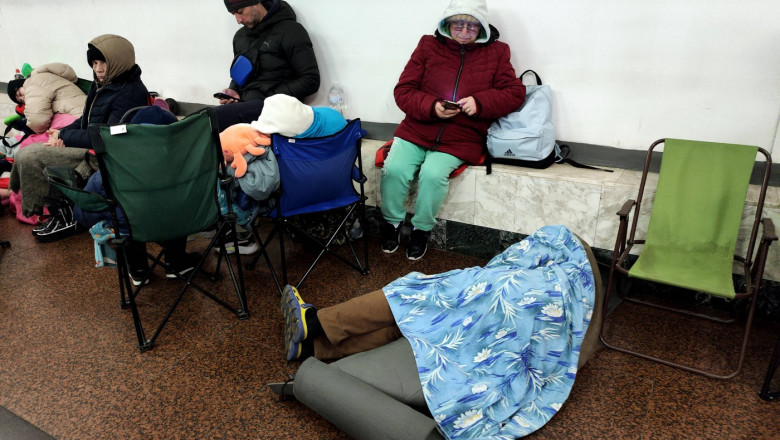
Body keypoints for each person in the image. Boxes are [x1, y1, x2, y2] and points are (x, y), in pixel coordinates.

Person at [282, 225, 599, 439]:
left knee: (420, 298)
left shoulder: (557, 266)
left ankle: (317, 328)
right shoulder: (568, 275)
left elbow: (505, 265)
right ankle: (318, 346)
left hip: (499, 298)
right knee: (420, 314)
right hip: (498, 304)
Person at [380, 0, 526, 260]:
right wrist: (431, 106)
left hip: (461, 137)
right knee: (395, 169)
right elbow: (403, 91)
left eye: (472, 26)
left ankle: (421, 230)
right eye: (458, 24)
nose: (465, 31)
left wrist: (479, 102)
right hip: (417, 129)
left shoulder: (497, 52)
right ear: (446, 24)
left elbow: (514, 93)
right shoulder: (428, 45)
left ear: (482, 28)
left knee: (433, 175)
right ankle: (391, 222)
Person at [8, 34, 150, 242]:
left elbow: (105, 137)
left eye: (104, 62)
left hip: (108, 158)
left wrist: (65, 136)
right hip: (96, 149)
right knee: (31, 151)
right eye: (94, 62)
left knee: (33, 155)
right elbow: (87, 120)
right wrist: (60, 134)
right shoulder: (102, 84)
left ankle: (65, 216)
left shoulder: (128, 92)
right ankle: (58, 211)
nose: (98, 68)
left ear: (119, 61)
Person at [215, 0, 320, 130]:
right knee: (203, 120)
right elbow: (241, 73)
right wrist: (233, 90)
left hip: (276, 109)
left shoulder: (291, 31)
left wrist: (270, 98)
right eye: (233, 14)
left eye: (240, 12)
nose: (238, 20)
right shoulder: (240, 37)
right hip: (246, 105)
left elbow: (310, 80)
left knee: (213, 119)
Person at [6, 62, 86, 135]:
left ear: (22, 84)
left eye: (20, 93)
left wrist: (33, 130)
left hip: (80, 118)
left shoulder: (32, 84)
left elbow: (37, 121)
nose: (23, 98)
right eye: (21, 100)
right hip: (83, 110)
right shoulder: (44, 76)